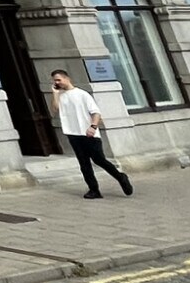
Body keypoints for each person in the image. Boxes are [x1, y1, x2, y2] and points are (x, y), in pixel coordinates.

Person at [51, 70, 133, 199]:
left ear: (67, 78)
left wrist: (93, 127)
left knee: (99, 160)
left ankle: (120, 177)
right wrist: (55, 94)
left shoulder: (82, 94)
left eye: (58, 80)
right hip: (73, 133)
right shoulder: (61, 96)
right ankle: (94, 189)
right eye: (55, 81)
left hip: (89, 134)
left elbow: (96, 112)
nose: (56, 83)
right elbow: (56, 109)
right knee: (84, 164)